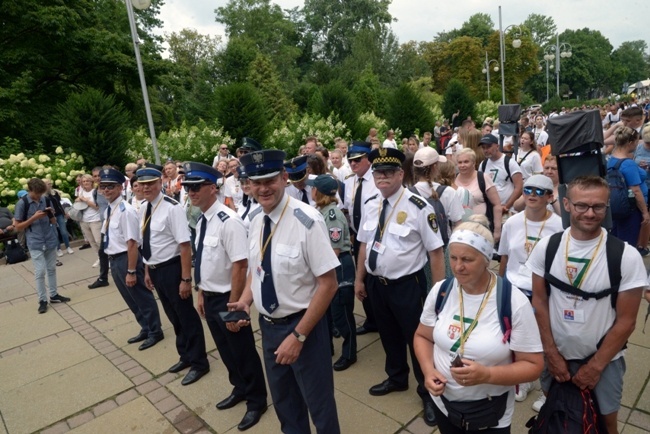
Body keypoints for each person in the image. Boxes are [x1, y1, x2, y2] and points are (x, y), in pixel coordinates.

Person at [229, 149, 341, 433]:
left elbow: (328, 284)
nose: (263, 188)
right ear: (248, 184)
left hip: (304, 329)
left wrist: (299, 336)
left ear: (284, 178)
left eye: (269, 180)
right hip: (268, 329)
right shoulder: (255, 220)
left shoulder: (308, 220)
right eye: (256, 182)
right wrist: (244, 301)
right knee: (285, 406)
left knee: (320, 408)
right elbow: (258, 271)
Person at [527, 176, 646, 433]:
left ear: (607, 207)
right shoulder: (547, 248)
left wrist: (595, 366)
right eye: (581, 206)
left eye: (598, 207)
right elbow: (539, 300)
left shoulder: (626, 257)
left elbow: (627, 321)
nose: (589, 213)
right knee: (557, 416)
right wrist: (550, 353)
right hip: (555, 355)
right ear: (567, 204)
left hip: (604, 360)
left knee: (606, 424)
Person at [414, 216, 544, 433]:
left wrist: (487, 375)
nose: (457, 267)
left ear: (485, 259)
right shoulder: (441, 291)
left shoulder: (513, 302)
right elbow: (422, 336)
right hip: (443, 404)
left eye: (467, 259)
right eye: (453, 257)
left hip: (489, 413)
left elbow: (533, 365)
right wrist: (428, 371)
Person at [354, 147, 445, 427]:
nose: (382, 177)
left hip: (407, 285)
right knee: (389, 334)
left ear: (400, 174)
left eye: (388, 172)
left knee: (418, 340)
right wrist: (359, 278)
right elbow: (364, 243)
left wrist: (438, 295)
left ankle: (429, 393)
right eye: (377, 172)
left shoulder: (418, 206)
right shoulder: (371, 203)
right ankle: (396, 377)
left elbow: (436, 253)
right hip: (377, 284)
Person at [183, 162, 268, 431]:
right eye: (188, 188)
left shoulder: (228, 221)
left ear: (213, 188)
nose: (191, 193)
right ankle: (239, 388)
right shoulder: (202, 220)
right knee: (224, 349)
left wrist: (235, 307)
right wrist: (200, 292)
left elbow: (241, 266)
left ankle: (256, 401)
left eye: (196, 187)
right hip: (210, 295)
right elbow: (204, 262)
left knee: (242, 351)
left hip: (227, 298)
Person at [136, 165, 210, 386]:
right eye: (143, 184)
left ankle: (199, 362)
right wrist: (147, 270)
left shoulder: (172, 208)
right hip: (156, 269)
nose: (147, 188)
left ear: (160, 183)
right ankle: (185, 355)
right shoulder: (144, 208)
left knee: (186, 316)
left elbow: (185, 246)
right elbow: (147, 241)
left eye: (151, 183)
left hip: (173, 268)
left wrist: (186, 279)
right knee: (173, 315)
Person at [98, 168, 164, 350]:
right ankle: (145, 327)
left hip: (126, 258)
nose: (106, 190)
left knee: (141, 296)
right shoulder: (110, 209)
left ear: (120, 187)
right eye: (103, 187)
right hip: (114, 259)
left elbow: (132, 243)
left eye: (110, 186)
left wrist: (131, 270)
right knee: (130, 298)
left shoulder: (125, 210)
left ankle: (155, 331)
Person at [308, 174, 357, 371]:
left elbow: (334, 250)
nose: (310, 190)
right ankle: (326, 348)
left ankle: (350, 353)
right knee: (326, 312)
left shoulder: (332, 215)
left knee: (341, 314)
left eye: (313, 188)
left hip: (338, 266)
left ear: (318, 192)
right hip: (327, 266)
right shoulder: (321, 211)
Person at [13, 178, 71, 314]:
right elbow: (17, 227)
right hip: (35, 241)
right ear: (30, 190)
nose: (39, 196)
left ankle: (54, 295)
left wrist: (50, 214)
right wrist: (33, 218)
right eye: (37, 194)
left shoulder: (45, 199)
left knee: (51, 269)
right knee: (40, 272)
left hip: (50, 239)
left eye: (41, 193)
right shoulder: (22, 203)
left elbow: (53, 221)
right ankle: (42, 300)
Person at [343, 141, 381, 336]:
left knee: (377, 280)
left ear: (368, 159)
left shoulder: (377, 180)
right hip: (358, 238)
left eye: (357, 160)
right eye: (350, 161)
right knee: (362, 280)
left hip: (377, 238)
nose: (353, 164)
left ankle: (383, 318)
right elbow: (347, 209)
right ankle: (371, 319)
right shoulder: (350, 181)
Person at [608, 126, 649, 251]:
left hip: (617, 206)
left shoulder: (612, 158)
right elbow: (636, 191)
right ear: (630, 143)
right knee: (628, 245)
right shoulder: (628, 163)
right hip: (631, 208)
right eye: (637, 141)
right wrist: (645, 212)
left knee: (616, 239)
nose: (638, 144)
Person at [454, 149, 502, 242]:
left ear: (473, 163)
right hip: (459, 231)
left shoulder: (483, 178)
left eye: (466, 162)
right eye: (460, 162)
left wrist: (497, 231)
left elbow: (497, 205)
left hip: (480, 230)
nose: (462, 165)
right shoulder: (453, 179)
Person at [478, 134, 523, 218]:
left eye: (488, 147)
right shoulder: (483, 164)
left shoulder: (509, 163)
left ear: (497, 146)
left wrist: (506, 206)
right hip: (489, 210)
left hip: (507, 211)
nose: (485, 150)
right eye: (483, 148)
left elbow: (519, 187)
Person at [76, 174, 102, 268]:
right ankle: (99, 257)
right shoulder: (81, 192)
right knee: (92, 242)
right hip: (84, 220)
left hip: (95, 220)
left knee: (99, 241)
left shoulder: (95, 192)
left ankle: (107, 258)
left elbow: (97, 207)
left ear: (92, 182)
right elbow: (77, 204)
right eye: (83, 181)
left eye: (87, 181)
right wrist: (78, 200)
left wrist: (85, 201)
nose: (85, 183)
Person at [44, 179, 74, 256]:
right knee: (55, 233)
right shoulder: (43, 196)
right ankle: (58, 249)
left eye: (50, 183)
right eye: (48, 184)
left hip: (59, 213)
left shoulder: (55, 192)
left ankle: (68, 247)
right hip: (51, 216)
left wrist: (64, 213)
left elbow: (59, 204)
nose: (50, 185)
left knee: (63, 231)